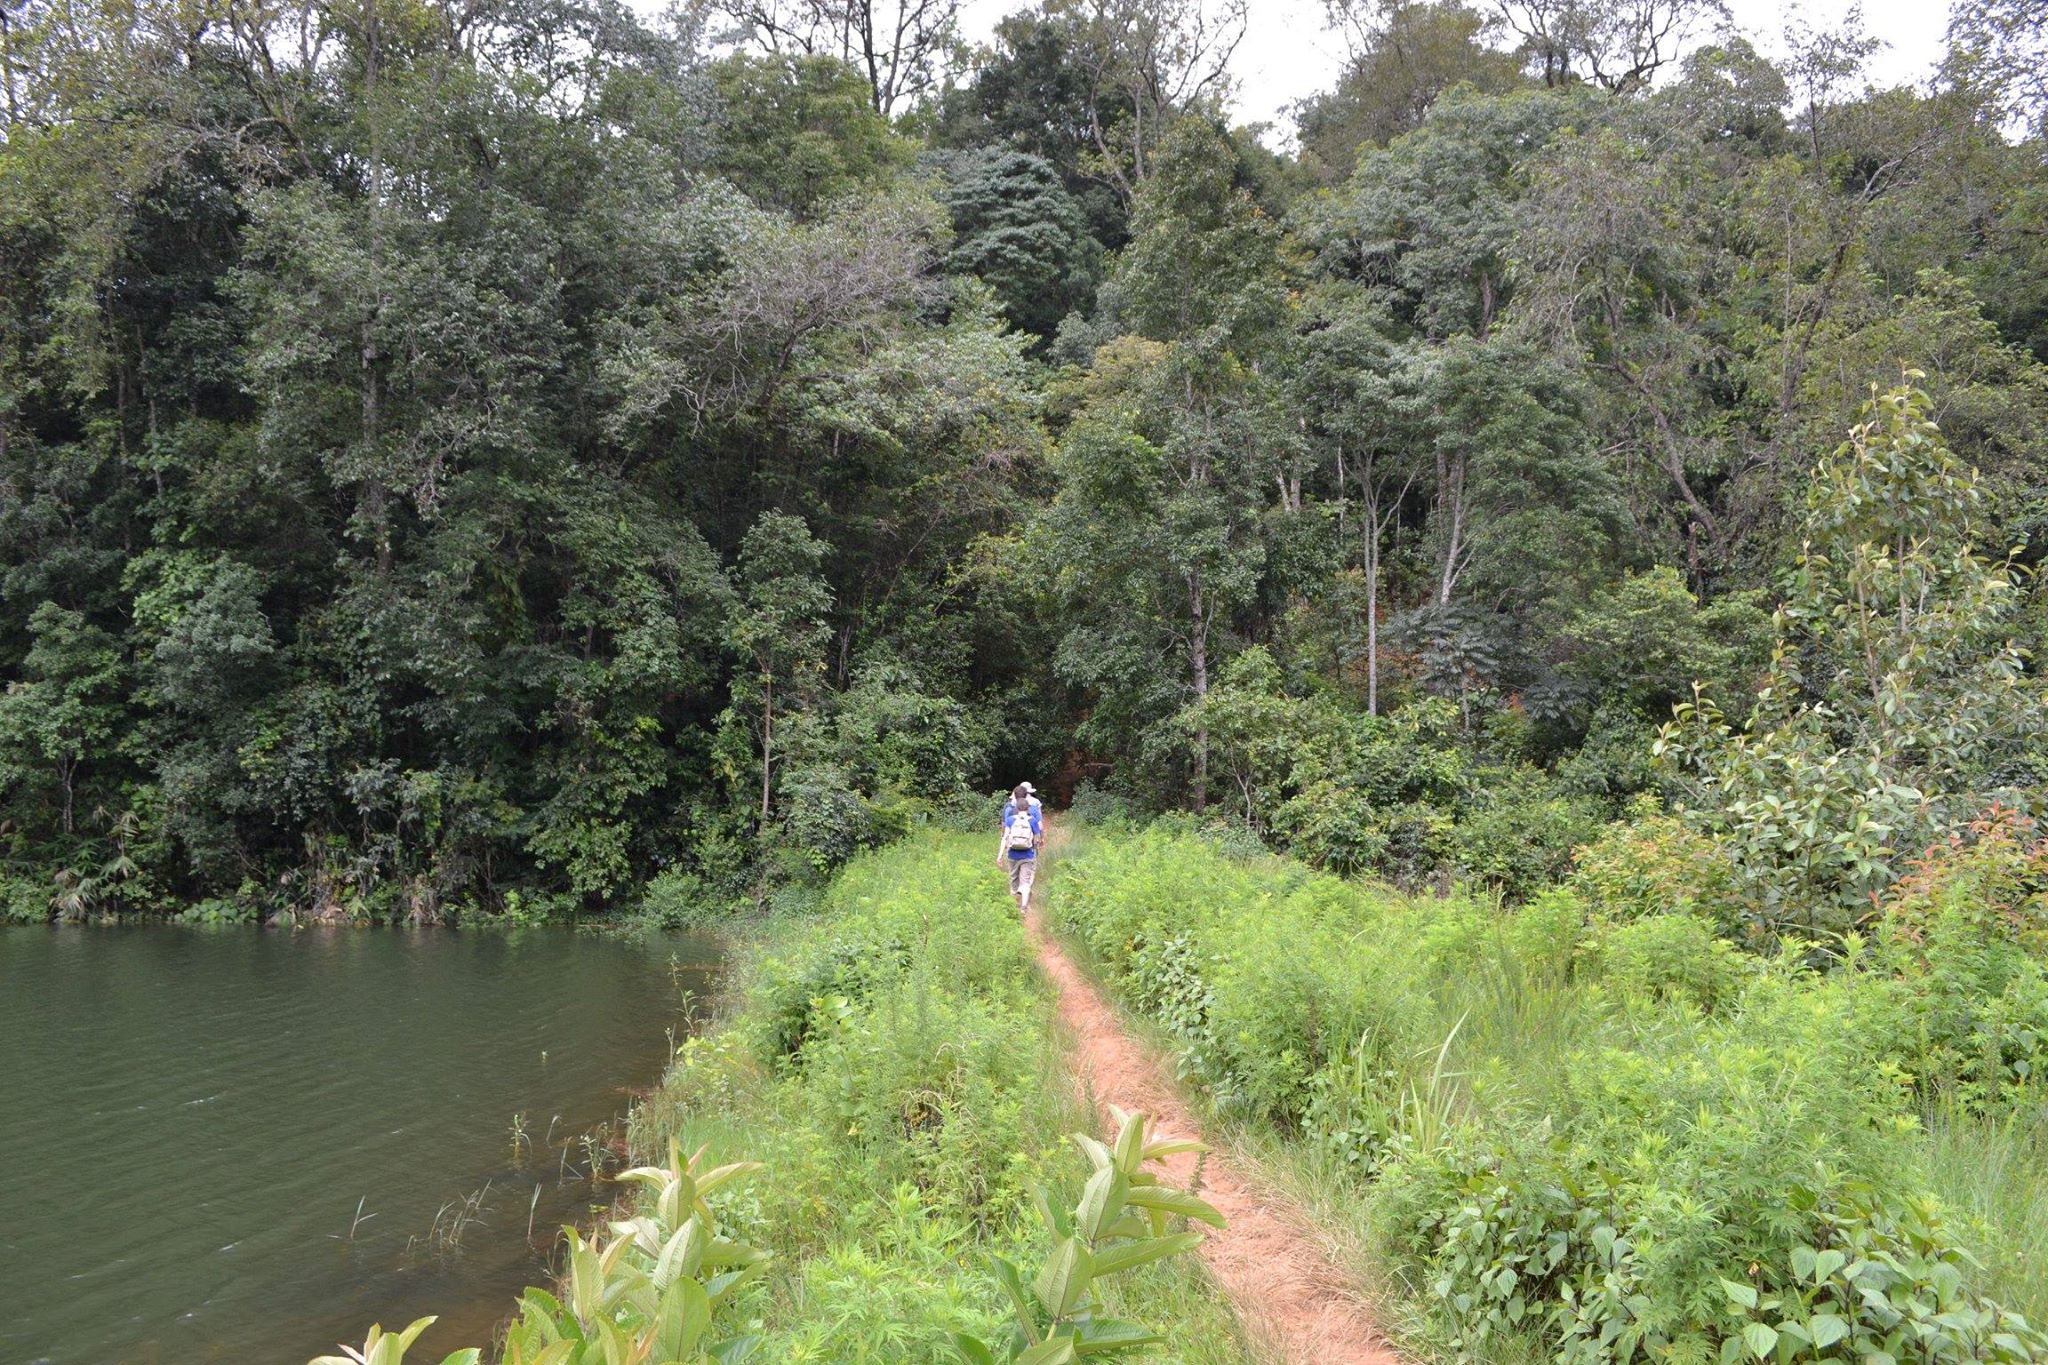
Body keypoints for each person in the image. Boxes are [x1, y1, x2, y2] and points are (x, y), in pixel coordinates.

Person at [997, 781, 1044, 913]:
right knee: (1025, 881)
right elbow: (1037, 837)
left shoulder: (1011, 819)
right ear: (1028, 808)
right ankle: (1024, 907)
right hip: (1028, 854)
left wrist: (1000, 855)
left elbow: (1005, 837)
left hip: (1012, 854)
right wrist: (1037, 844)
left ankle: (1012, 905)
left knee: (1013, 879)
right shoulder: (1032, 820)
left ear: (1017, 806)